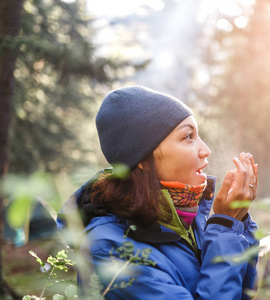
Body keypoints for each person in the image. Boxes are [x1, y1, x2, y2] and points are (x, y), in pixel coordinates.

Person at [57, 86, 259, 299]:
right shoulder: (110, 249)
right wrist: (226, 228)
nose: (205, 150)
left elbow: (241, 293)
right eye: (188, 136)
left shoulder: (186, 219)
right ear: (142, 159)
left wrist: (238, 222)